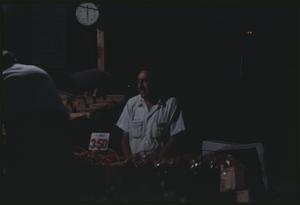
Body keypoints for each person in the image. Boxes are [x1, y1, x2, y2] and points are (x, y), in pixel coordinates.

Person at [1, 50, 71, 201]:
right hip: (58, 120)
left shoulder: (8, 76)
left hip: (41, 122)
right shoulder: (29, 69)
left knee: (27, 163)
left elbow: (13, 111)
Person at [116, 66, 186, 160]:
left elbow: (175, 136)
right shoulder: (131, 104)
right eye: (138, 81)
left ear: (155, 82)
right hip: (135, 164)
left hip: (159, 165)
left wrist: (159, 157)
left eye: (145, 81)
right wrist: (128, 160)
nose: (140, 86)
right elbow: (124, 136)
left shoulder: (170, 104)